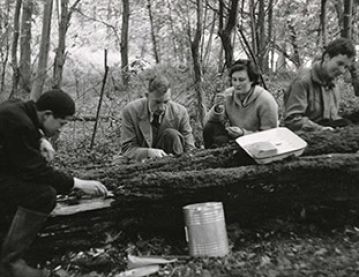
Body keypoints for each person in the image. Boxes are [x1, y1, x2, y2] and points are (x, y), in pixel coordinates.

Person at [0, 89, 108, 277]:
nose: (60, 129)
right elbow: (37, 171)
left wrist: (40, 138)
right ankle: (9, 262)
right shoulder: (19, 124)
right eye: (61, 123)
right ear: (47, 114)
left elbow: (24, 128)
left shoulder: (17, 109)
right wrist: (78, 183)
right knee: (43, 195)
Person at [284, 37, 356, 132]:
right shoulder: (303, 81)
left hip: (327, 136)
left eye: (346, 67)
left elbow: (332, 118)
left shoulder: (334, 86)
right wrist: (320, 129)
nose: (342, 70)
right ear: (327, 57)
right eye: (339, 63)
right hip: (305, 138)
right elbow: (292, 120)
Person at [203, 59, 278, 148]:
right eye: (234, 80)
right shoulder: (228, 95)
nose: (237, 84)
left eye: (241, 80)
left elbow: (269, 135)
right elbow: (207, 122)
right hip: (236, 140)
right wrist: (218, 110)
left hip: (257, 144)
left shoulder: (265, 100)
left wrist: (243, 133)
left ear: (252, 80)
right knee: (210, 128)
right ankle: (212, 156)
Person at [120, 75, 195, 161]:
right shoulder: (130, 111)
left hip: (172, 160)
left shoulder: (180, 112)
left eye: (166, 102)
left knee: (172, 134)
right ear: (147, 96)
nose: (162, 108)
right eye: (157, 102)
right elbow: (127, 149)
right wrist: (149, 153)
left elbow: (190, 148)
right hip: (140, 162)